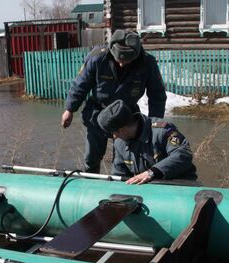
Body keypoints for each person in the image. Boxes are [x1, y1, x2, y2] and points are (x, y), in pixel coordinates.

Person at [61, 29, 167, 173]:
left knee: (125, 157)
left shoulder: (147, 63)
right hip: (97, 114)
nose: (122, 64)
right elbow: (81, 84)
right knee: (92, 156)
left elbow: (157, 95)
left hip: (126, 115)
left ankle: (120, 185)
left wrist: (153, 124)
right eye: (119, 60)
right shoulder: (97, 57)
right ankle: (91, 183)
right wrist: (70, 109)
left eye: (127, 60)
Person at [97, 100, 197, 185]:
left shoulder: (162, 131)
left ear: (121, 130)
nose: (114, 137)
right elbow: (118, 175)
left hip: (179, 187)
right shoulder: (120, 143)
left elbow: (184, 155)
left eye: (113, 133)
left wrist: (152, 173)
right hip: (148, 192)